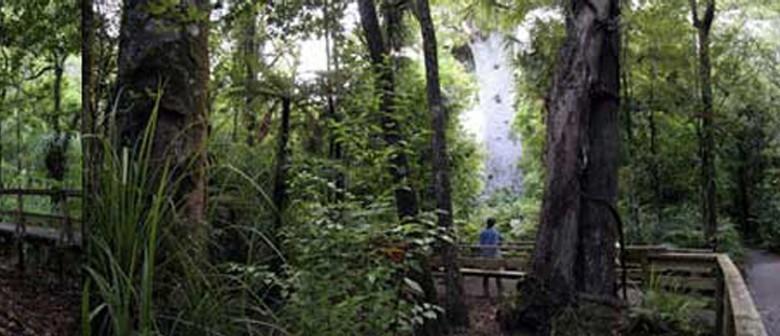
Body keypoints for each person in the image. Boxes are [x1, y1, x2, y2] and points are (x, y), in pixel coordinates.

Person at [479, 217, 503, 297]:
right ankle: (500, 292)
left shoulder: (482, 232)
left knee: (486, 275)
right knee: (498, 274)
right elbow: (499, 242)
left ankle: (485, 292)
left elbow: (481, 244)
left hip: (485, 256)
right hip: (494, 255)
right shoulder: (495, 232)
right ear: (494, 224)